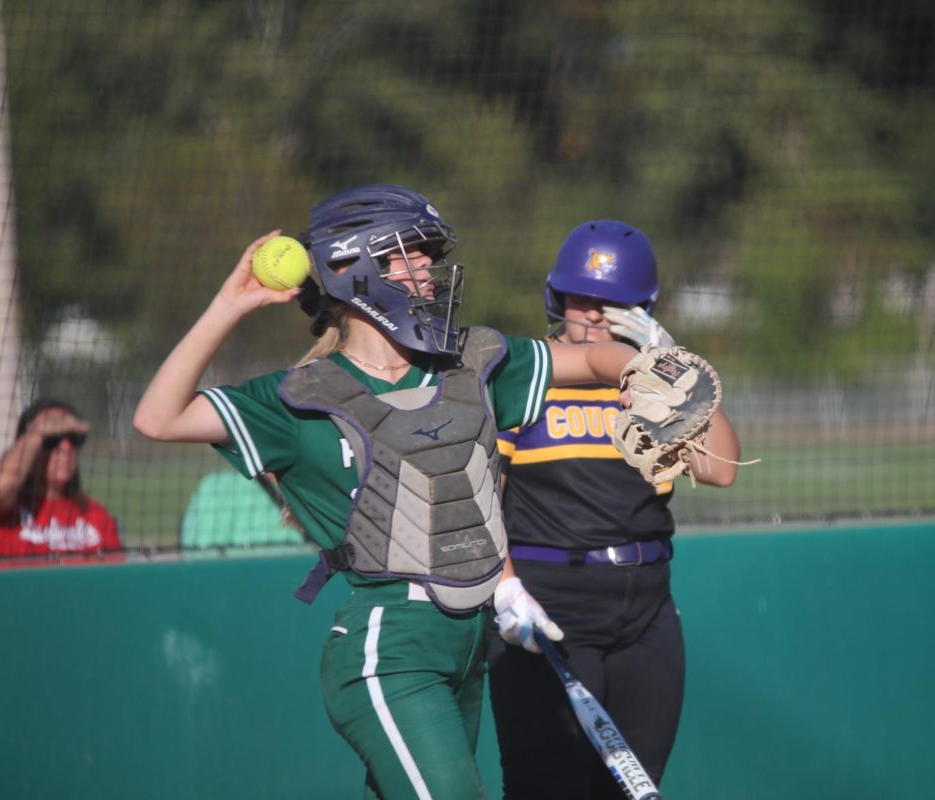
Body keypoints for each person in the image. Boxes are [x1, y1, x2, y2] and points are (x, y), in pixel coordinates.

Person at [132, 185, 639, 800]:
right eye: (408, 254)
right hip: (388, 647)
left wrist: (642, 369)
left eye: (427, 254)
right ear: (353, 269)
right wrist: (228, 306)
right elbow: (157, 418)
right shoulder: (299, 398)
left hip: (472, 640)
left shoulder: (469, 361)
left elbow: (591, 363)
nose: (428, 268)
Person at [488, 220, 746, 799]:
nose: (596, 315)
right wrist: (503, 589)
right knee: (546, 788)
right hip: (550, 605)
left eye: (614, 303)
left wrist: (669, 360)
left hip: (647, 610)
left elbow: (722, 468)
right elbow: (484, 497)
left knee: (633, 788)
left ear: (642, 309)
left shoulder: (651, 387)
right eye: (583, 299)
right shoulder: (526, 376)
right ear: (558, 299)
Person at [0, 398, 122, 560]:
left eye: (73, 438)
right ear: (27, 444)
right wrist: (37, 432)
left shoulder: (95, 514)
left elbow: (116, 579)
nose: (66, 448)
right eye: (52, 439)